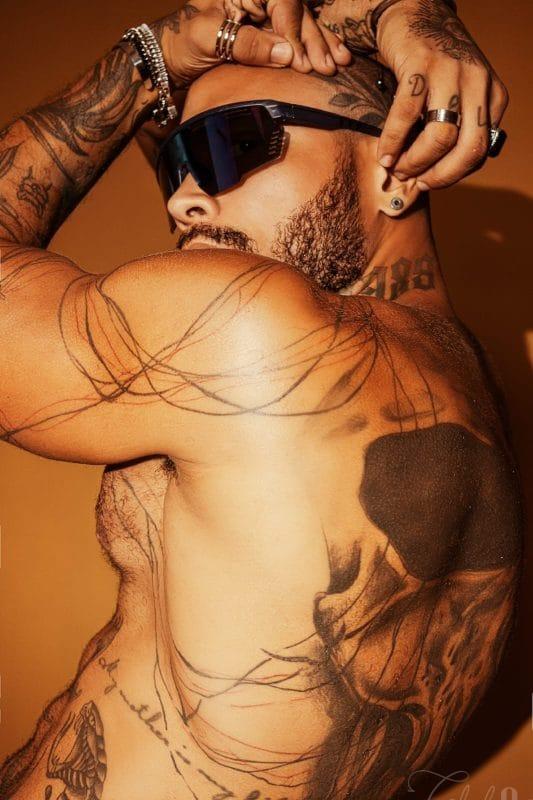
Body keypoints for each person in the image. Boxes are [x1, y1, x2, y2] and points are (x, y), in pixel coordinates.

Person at [0, 1, 521, 799]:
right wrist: (399, 13)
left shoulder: (256, 327)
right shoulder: (464, 391)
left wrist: (150, 53)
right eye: (178, 161)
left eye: (234, 144)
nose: (182, 200)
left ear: (395, 169)